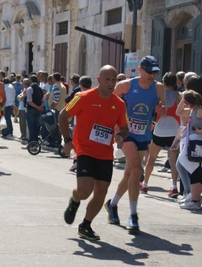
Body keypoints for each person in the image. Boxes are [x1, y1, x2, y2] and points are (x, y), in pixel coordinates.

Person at [59, 65, 129, 241]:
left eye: (114, 80)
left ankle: (86, 225)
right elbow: (62, 115)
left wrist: (120, 135)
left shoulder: (119, 104)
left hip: (105, 153)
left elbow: (125, 127)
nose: (111, 83)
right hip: (84, 150)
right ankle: (75, 200)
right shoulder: (82, 97)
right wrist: (67, 141)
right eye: (107, 79)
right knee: (84, 191)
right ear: (98, 80)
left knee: (101, 192)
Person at [105, 55, 166, 231]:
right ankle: (133, 216)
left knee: (130, 173)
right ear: (140, 69)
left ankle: (112, 203)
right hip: (126, 132)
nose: (152, 75)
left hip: (144, 134)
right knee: (138, 168)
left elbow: (163, 108)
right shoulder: (126, 85)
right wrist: (115, 129)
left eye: (155, 72)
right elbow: (110, 103)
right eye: (149, 71)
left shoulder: (158, 87)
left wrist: (161, 110)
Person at [140, 72, 182, 197]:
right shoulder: (178, 95)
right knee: (173, 160)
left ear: (163, 82)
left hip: (159, 130)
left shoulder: (159, 95)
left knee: (151, 159)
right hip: (174, 131)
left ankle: (145, 184)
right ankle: (174, 187)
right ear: (175, 83)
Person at [24, 75, 44, 148]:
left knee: (31, 127)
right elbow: (43, 100)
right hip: (38, 110)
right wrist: (40, 107)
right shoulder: (40, 89)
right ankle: (36, 142)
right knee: (36, 126)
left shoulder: (30, 89)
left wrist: (36, 107)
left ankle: (31, 143)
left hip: (31, 109)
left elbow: (29, 101)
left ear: (30, 80)